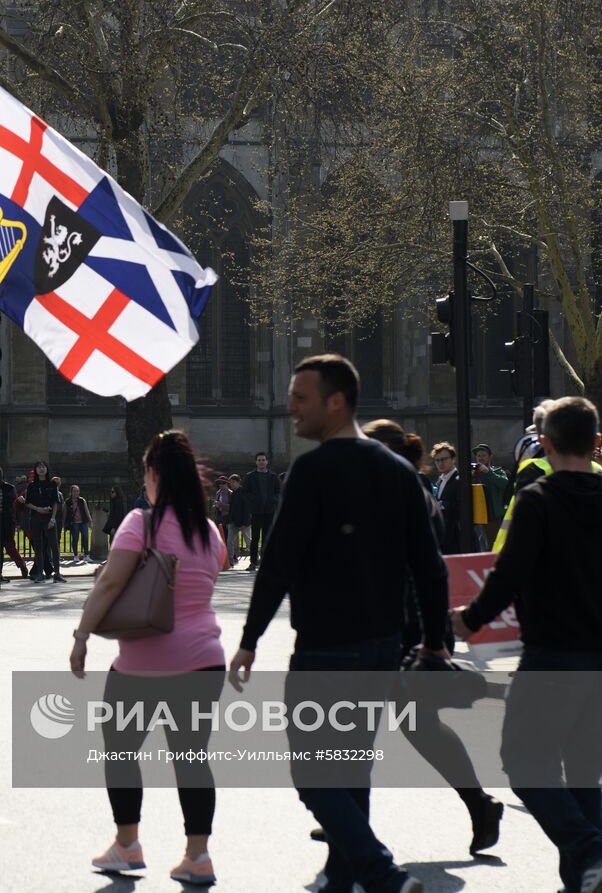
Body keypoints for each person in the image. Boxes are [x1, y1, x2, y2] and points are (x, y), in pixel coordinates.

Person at [230, 354, 446, 893]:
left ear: (337, 402)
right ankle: (341, 875)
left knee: (311, 773)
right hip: (380, 646)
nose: (290, 408)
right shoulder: (398, 471)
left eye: (300, 398)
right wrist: (432, 643)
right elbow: (428, 565)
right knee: (351, 772)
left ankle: (379, 871)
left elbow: (278, 561)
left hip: (326, 647)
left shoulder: (312, 469)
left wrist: (250, 639)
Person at [451, 396, 602, 893]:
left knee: (523, 764)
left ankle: (591, 850)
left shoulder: (539, 500)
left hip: (551, 653)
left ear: (544, 442)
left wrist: (471, 620)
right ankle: (582, 881)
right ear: (596, 443)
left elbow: (509, 575)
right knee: (583, 773)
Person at [71, 430, 228, 887]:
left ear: (155, 474)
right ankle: (198, 856)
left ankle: (127, 844)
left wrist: (82, 635)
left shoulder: (142, 522)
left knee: (120, 752)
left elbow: (109, 584)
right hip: (205, 659)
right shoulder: (210, 529)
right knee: (192, 760)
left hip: (142, 664)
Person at [363, 421, 504, 856]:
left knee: (392, 725)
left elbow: (424, 571)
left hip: (408, 627)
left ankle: (350, 822)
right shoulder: (398, 493)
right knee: (399, 725)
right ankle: (349, 820)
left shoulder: (409, 497)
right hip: (399, 625)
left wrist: (432, 639)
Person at [19, 461, 58, 583]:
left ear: (47, 469)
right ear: (35, 470)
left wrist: (53, 518)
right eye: (39, 467)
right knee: (39, 547)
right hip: (36, 518)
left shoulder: (52, 484)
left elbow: (56, 502)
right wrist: (38, 509)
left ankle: (57, 573)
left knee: (54, 546)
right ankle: (40, 574)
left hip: (49, 518)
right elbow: (28, 503)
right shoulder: (31, 486)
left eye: (43, 467)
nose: (41, 469)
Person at [241, 452, 281, 569]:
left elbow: (278, 492)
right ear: (256, 462)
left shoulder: (273, 476)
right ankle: (253, 562)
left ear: (267, 462)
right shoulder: (250, 476)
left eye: (263, 460)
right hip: (256, 511)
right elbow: (244, 492)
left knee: (267, 537)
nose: (261, 462)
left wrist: (273, 500)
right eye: (259, 460)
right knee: (255, 537)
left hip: (269, 511)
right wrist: (254, 500)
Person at [471, 444, 508, 548]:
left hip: (493, 516)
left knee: (495, 545)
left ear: (490, 457)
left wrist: (488, 472)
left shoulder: (498, 471)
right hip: (477, 517)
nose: (481, 458)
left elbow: (505, 485)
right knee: (480, 545)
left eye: (483, 455)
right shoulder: (472, 473)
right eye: (478, 456)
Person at [431, 442, 465, 555]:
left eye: (444, 459)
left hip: (456, 536)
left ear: (453, 459)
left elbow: (462, 508)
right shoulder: (440, 480)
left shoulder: (459, 479)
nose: (440, 463)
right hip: (443, 536)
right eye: (437, 460)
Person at [225, 473, 249, 566]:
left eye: (233, 482)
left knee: (248, 541)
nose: (232, 484)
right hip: (233, 522)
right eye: (230, 483)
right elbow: (231, 509)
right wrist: (229, 521)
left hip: (243, 522)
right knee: (229, 541)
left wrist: (245, 523)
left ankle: (256, 558)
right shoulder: (233, 493)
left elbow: (246, 509)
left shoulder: (244, 492)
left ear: (238, 482)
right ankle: (230, 560)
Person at [66, 484, 93, 565]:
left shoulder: (82, 500)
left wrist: (90, 521)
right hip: (74, 523)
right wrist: (65, 523)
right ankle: (75, 555)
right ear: (71, 492)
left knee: (85, 538)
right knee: (75, 539)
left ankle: (86, 555)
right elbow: (65, 513)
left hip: (83, 522)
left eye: (77, 491)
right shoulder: (68, 501)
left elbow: (86, 510)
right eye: (74, 491)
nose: (76, 493)